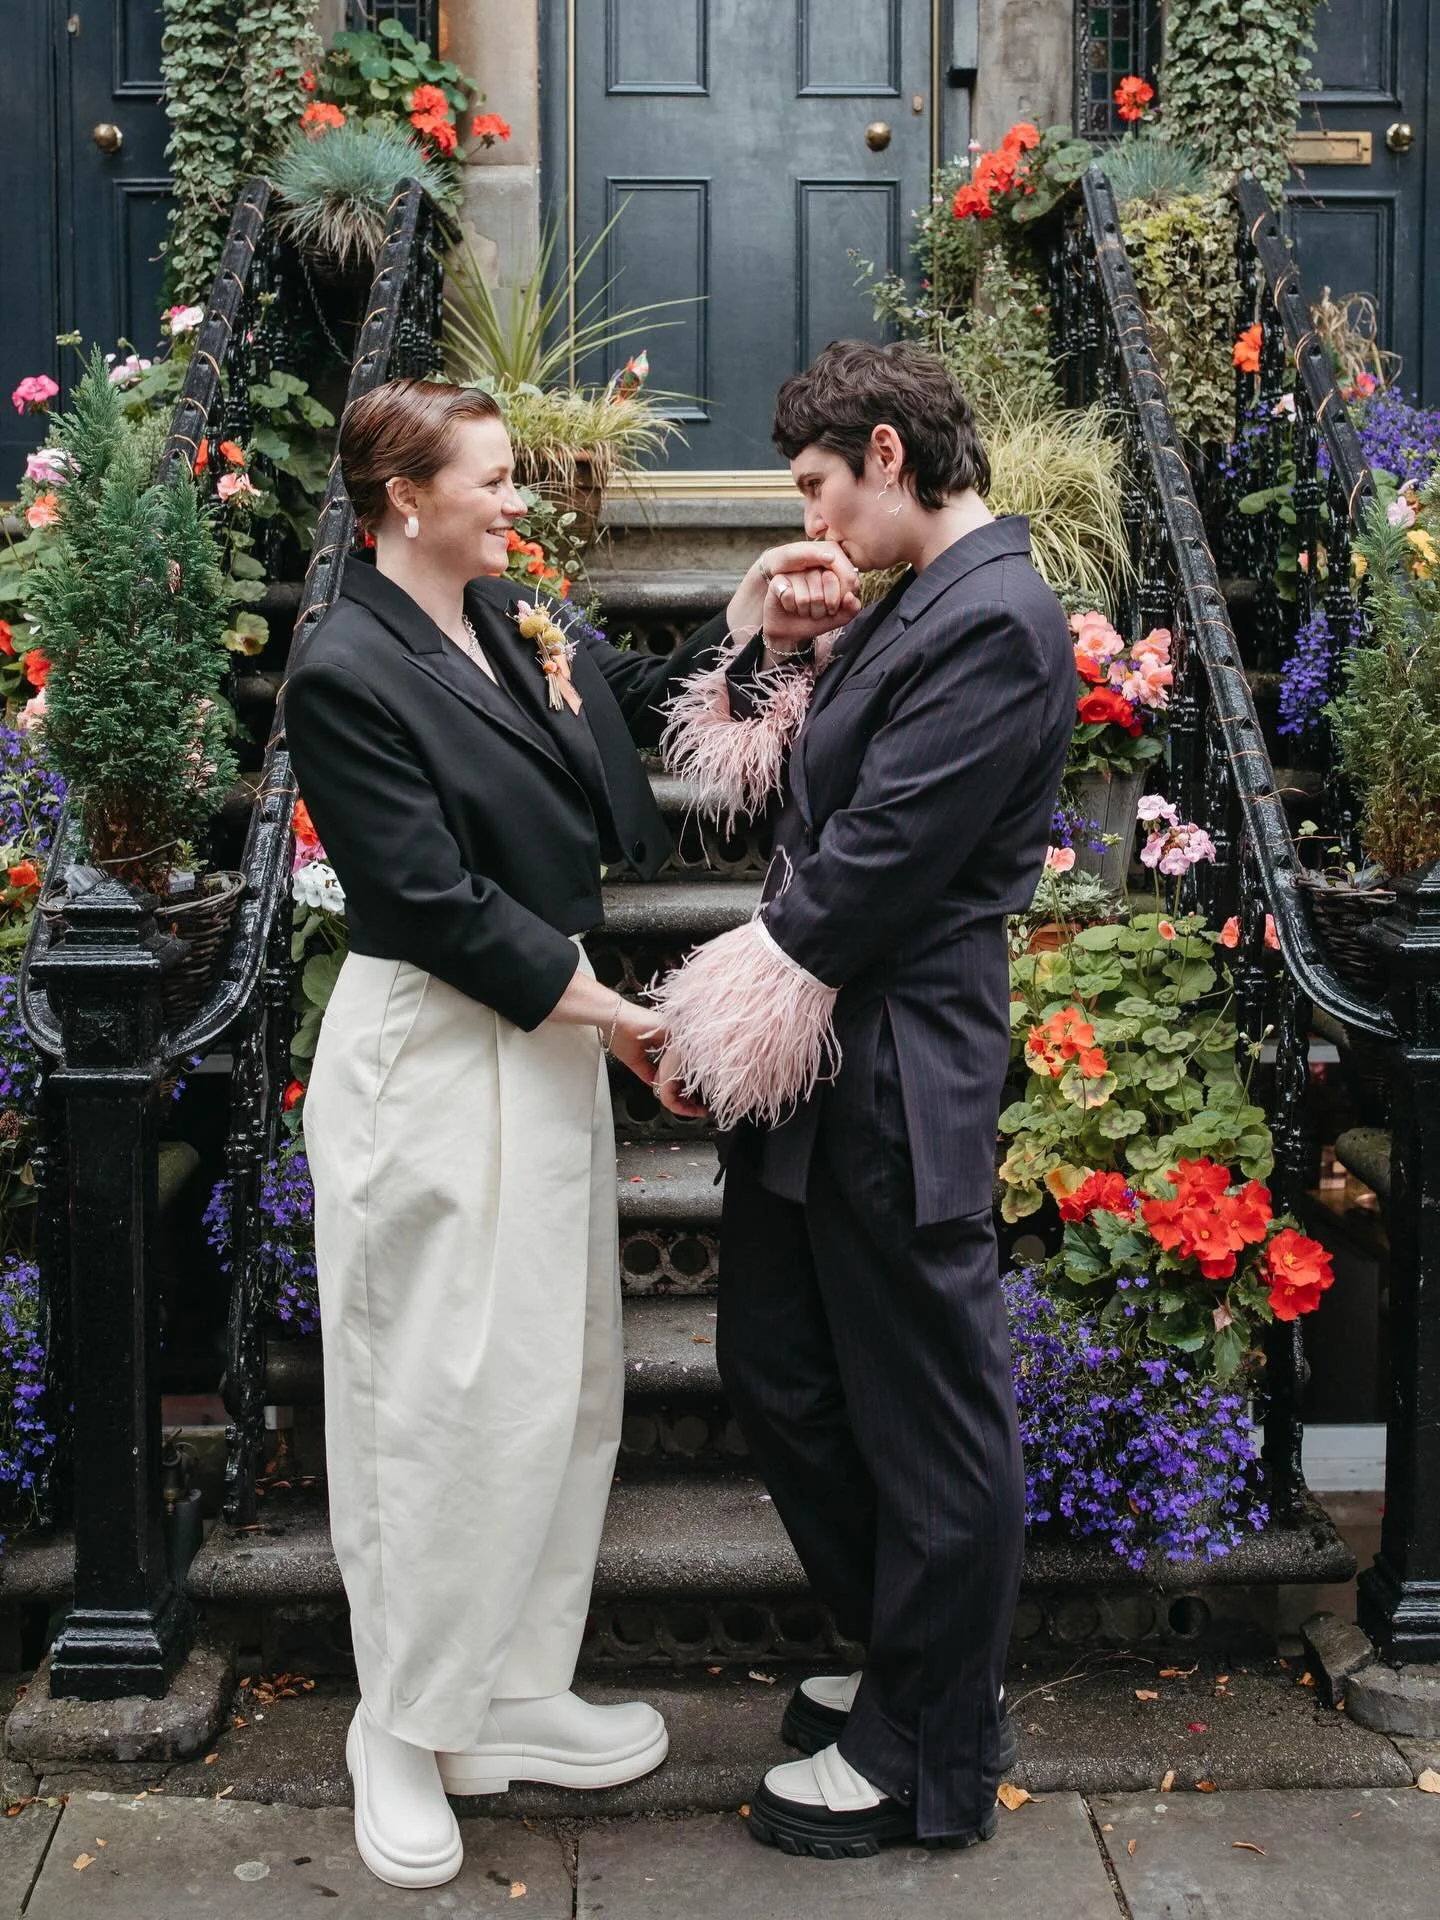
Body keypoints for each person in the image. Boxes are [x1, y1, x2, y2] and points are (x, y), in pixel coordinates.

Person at [283, 378, 726, 1889]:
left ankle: (511, 1686)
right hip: (436, 1047)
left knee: (556, 1374)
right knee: (429, 1387)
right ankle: (398, 1730)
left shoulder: (503, 618)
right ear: (402, 497)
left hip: (539, 1037)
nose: (518, 499)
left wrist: (760, 635)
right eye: (491, 478)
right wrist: (618, 1018)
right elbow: (423, 900)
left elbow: (632, 713)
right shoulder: (346, 668)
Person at [653, 339, 1074, 1857]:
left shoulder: (1000, 617)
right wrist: (779, 636)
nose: (815, 522)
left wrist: (705, 1015)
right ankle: (905, 1652)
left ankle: (923, 1750)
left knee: (933, 1422)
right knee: (782, 1374)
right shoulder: (913, 607)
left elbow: (881, 861)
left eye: (823, 491)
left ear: (889, 454)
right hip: (820, 1069)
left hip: (897, 1063)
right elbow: (782, 781)